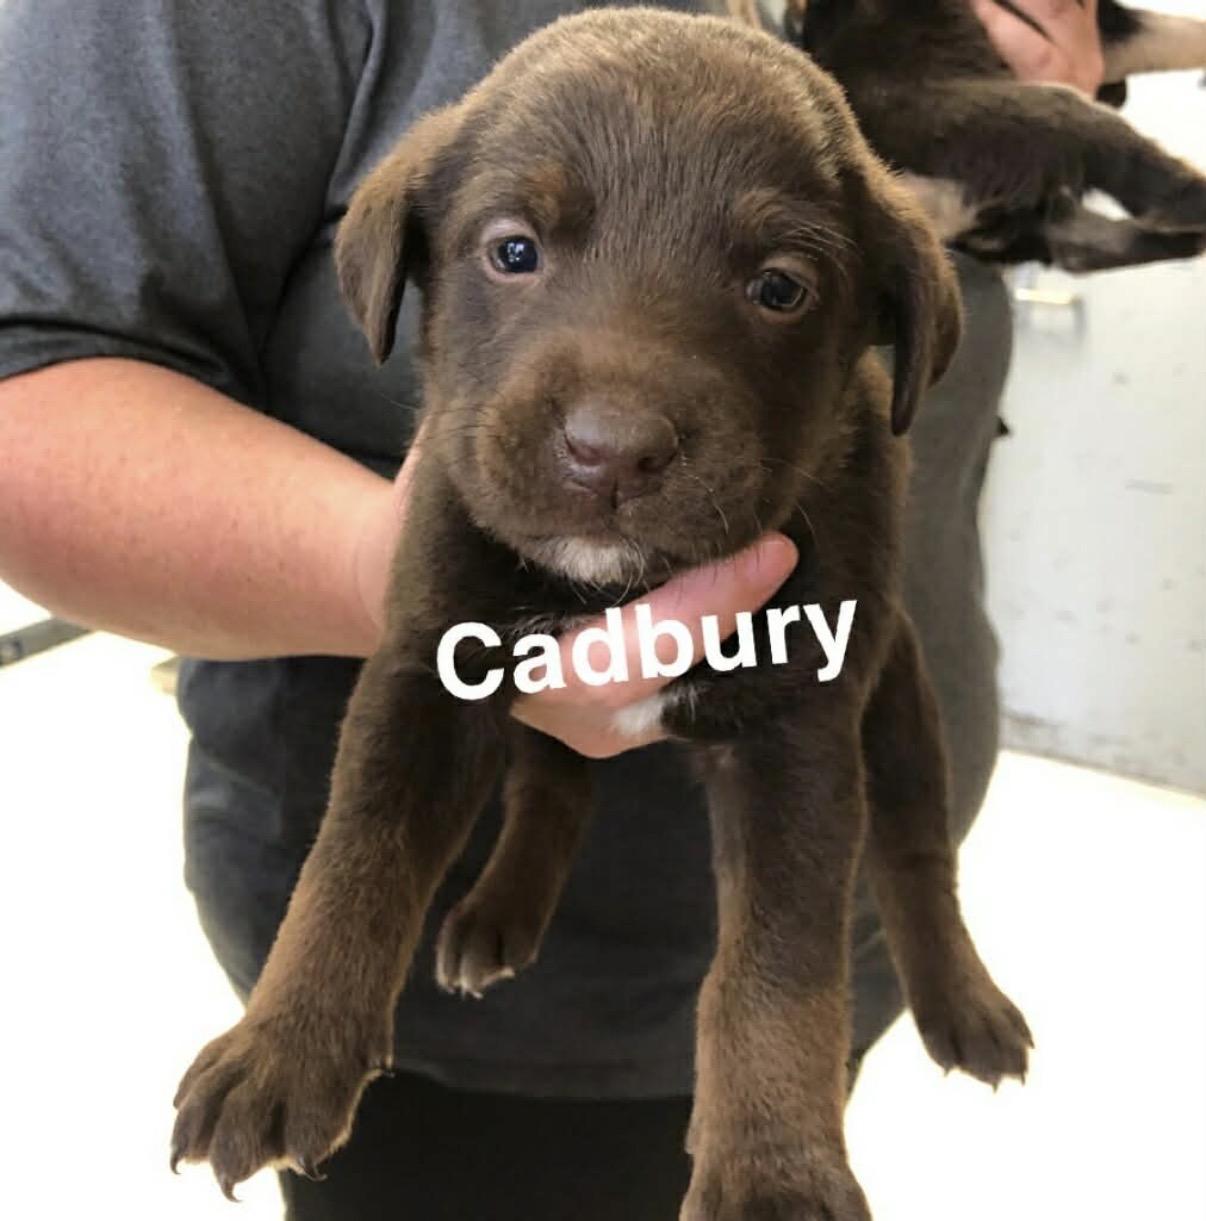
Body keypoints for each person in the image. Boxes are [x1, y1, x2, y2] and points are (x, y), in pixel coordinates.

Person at [0, 1, 1104, 1217]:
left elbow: (801, 756)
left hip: (829, 929)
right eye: (516, 254)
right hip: (470, 1062)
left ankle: (884, 990)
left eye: (779, 286)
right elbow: (30, 385)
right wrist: (385, 575)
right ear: (404, 260)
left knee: (833, 723)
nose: (614, 428)